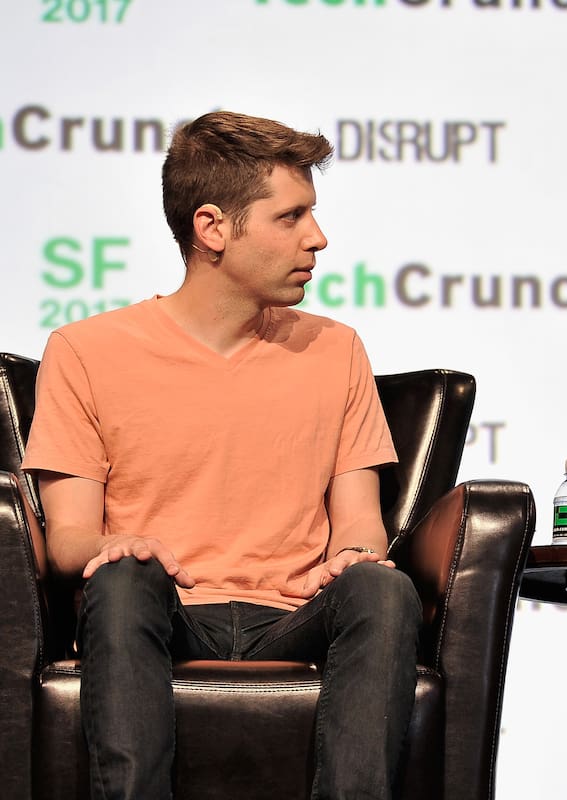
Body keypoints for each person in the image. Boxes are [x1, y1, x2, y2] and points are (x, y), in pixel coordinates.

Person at [21, 110, 421, 800]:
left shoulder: (336, 349)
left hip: (297, 615)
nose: (317, 239)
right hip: (166, 610)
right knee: (119, 577)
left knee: (382, 586)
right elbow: (70, 539)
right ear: (212, 229)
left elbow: (361, 521)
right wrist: (123, 544)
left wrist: (354, 553)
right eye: (290, 218)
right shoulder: (87, 351)